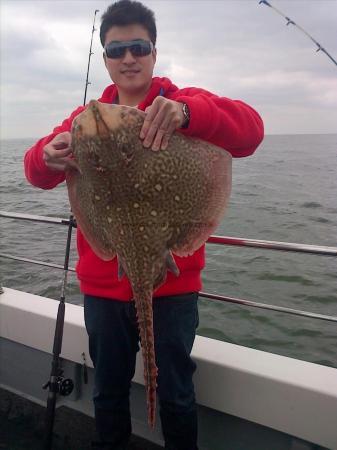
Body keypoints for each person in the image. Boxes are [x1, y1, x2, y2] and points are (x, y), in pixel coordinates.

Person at [24, 1, 264, 449]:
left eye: (139, 46)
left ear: (154, 52)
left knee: (175, 393)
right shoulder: (88, 120)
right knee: (107, 391)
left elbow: (251, 131)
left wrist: (188, 114)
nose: (129, 57)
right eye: (117, 50)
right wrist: (48, 155)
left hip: (173, 288)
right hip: (103, 290)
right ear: (106, 59)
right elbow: (35, 172)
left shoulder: (180, 103)